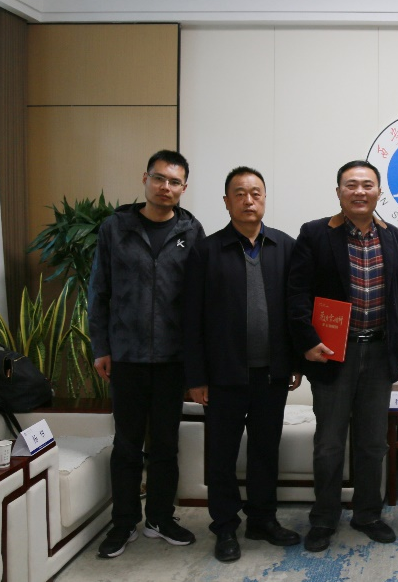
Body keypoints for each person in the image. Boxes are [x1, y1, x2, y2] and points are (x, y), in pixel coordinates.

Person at [287, 160, 398, 553]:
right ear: (339, 191)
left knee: (373, 442)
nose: (360, 191)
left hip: (379, 352)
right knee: (329, 443)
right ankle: (324, 518)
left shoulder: (393, 236)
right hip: (332, 355)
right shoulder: (315, 233)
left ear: (379, 192)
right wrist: (307, 341)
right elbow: (296, 293)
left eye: (367, 185)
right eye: (351, 185)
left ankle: (368, 514)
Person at [88, 150, 205, 558]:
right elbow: (99, 291)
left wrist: (197, 360)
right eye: (159, 178)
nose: (165, 187)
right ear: (145, 179)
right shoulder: (115, 228)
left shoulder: (191, 231)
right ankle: (124, 523)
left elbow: (199, 300)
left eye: (174, 182)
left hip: (173, 359)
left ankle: (159, 518)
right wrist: (101, 347)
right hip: (127, 356)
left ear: (184, 187)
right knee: (126, 445)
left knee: (166, 446)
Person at [184, 166, 302, 562]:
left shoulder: (285, 246)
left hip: (272, 374)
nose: (248, 200)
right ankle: (224, 527)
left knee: (266, 452)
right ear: (226, 201)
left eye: (256, 193)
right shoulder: (206, 251)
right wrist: (196, 377)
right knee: (222, 455)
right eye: (239, 193)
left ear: (264, 198)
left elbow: (296, 310)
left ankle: (262, 520)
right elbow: (191, 318)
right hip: (223, 376)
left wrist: (294, 361)